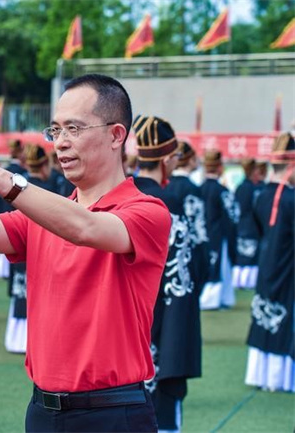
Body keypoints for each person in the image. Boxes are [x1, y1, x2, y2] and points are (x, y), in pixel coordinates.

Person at [0, 74, 170, 433]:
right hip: (43, 411)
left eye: (74, 128)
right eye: (56, 130)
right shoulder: (40, 215)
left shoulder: (147, 212)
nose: (61, 143)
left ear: (116, 135)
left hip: (114, 412)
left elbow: (84, 229)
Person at [132, 115, 202, 433]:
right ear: (167, 159)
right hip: (159, 323)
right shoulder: (169, 203)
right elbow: (182, 284)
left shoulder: (121, 196)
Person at [245, 132, 295, 393]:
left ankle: (261, 376)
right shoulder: (291, 198)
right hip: (287, 267)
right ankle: (279, 379)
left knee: (264, 312)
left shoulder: (261, 195)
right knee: (284, 316)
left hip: (266, 262)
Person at [4, 144, 55, 354]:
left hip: (18, 242)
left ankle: (16, 339)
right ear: (44, 165)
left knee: (20, 291)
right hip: (40, 245)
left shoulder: (17, 185)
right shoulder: (48, 188)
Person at [199, 150, 240, 310]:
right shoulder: (223, 191)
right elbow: (233, 215)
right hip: (218, 234)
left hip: (201, 234)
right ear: (220, 167)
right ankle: (217, 299)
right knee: (220, 266)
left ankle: (209, 298)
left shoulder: (198, 189)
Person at [231, 158, 264, 290]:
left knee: (246, 256)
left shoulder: (244, 187)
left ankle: (244, 281)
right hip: (248, 225)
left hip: (245, 225)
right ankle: (244, 282)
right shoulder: (248, 188)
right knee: (247, 257)